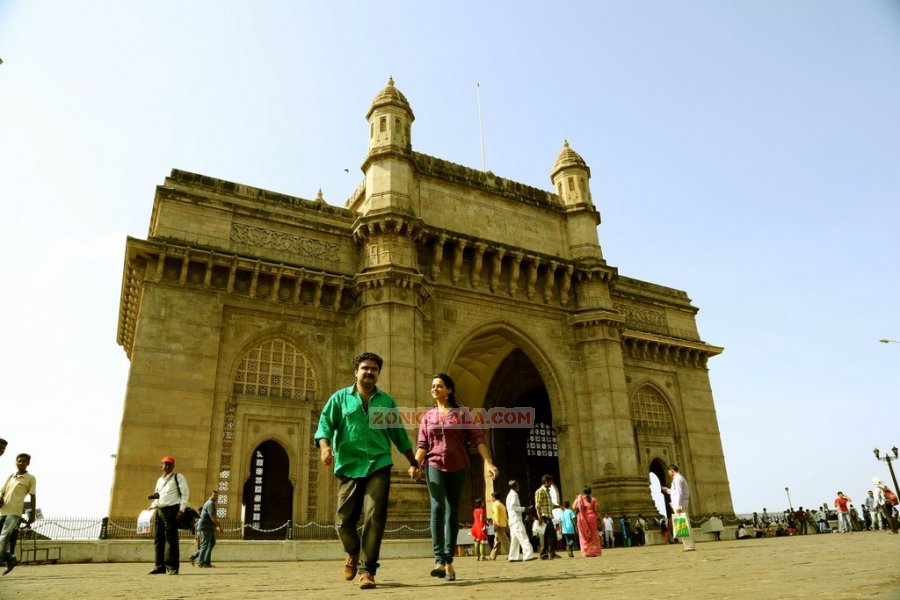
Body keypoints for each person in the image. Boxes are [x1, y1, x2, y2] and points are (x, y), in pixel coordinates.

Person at [315, 352, 420, 590]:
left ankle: (367, 570)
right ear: (356, 372)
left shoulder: (386, 402)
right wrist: (324, 448)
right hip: (349, 466)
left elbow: (398, 435)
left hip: (378, 464)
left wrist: (413, 462)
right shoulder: (340, 399)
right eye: (365, 368)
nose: (369, 372)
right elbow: (324, 426)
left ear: (378, 373)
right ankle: (352, 552)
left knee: (374, 517)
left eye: (374, 369)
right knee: (342, 521)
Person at [414, 373, 499, 581]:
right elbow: (422, 445)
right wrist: (415, 465)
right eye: (433, 386)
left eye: (439, 386)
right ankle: (439, 559)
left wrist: (487, 462)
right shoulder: (428, 417)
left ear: (449, 390)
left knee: (452, 512)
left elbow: (478, 439)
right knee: (437, 507)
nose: (435, 389)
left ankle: (449, 562)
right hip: (433, 464)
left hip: (458, 466)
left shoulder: (463, 415)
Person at [148, 456, 189, 575]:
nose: (167, 467)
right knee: (158, 539)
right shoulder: (159, 480)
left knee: (171, 540)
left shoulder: (178, 477)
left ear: (173, 466)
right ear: (161, 465)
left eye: (169, 465)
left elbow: (185, 493)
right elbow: (158, 495)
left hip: (172, 510)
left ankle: (172, 567)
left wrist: (181, 510)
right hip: (159, 510)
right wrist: (152, 506)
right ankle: (159, 566)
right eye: (165, 464)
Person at [0, 453, 36, 575]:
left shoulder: (30, 478)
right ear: (16, 462)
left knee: (3, 538)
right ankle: (10, 558)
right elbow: (2, 491)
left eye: (24, 461)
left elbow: (33, 497)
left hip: (14, 513)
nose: (21, 463)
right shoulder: (11, 476)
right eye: (19, 461)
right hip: (2, 511)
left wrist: (32, 515)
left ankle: (8, 558)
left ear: (28, 463)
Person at [661, 464, 695, 551]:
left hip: (680, 505)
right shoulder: (678, 479)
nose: (668, 473)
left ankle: (689, 546)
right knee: (682, 525)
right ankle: (687, 545)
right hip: (680, 504)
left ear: (672, 470)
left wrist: (679, 506)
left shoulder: (678, 479)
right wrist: (668, 490)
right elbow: (676, 492)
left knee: (684, 525)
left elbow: (680, 492)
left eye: (668, 472)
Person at [190, 490, 222, 568]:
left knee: (211, 544)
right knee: (205, 545)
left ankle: (206, 562)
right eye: (214, 495)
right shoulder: (210, 503)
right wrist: (219, 526)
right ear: (210, 496)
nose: (216, 497)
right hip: (206, 527)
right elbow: (212, 517)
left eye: (217, 496)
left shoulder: (211, 503)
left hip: (209, 527)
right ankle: (200, 562)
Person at [505, 480, 535, 562]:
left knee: (515, 539)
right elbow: (513, 507)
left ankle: (513, 557)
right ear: (515, 486)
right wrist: (524, 509)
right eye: (517, 485)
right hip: (516, 519)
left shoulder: (509, 495)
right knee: (523, 537)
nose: (518, 486)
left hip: (512, 520)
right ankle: (528, 555)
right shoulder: (514, 494)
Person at [534, 475, 561, 559]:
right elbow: (537, 505)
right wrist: (540, 518)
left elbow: (549, 504)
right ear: (546, 481)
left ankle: (551, 552)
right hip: (544, 516)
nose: (551, 483)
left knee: (551, 536)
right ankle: (543, 554)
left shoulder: (547, 492)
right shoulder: (540, 491)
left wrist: (559, 506)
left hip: (549, 516)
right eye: (550, 482)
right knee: (544, 536)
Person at [573, 486, 602, 557]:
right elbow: (597, 509)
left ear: (583, 492)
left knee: (583, 535)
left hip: (582, 519)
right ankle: (593, 552)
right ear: (590, 492)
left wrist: (578, 499)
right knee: (593, 535)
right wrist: (600, 519)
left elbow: (573, 507)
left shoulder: (579, 499)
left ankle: (586, 552)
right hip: (592, 518)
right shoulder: (593, 499)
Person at [489, 491, 509, 560]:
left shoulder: (495, 504)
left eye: (492, 497)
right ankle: (492, 556)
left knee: (504, 540)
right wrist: (506, 523)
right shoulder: (502, 505)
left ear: (494, 498)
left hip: (498, 525)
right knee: (497, 540)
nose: (491, 498)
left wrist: (496, 524)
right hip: (502, 524)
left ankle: (511, 554)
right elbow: (505, 515)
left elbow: (496, 515)